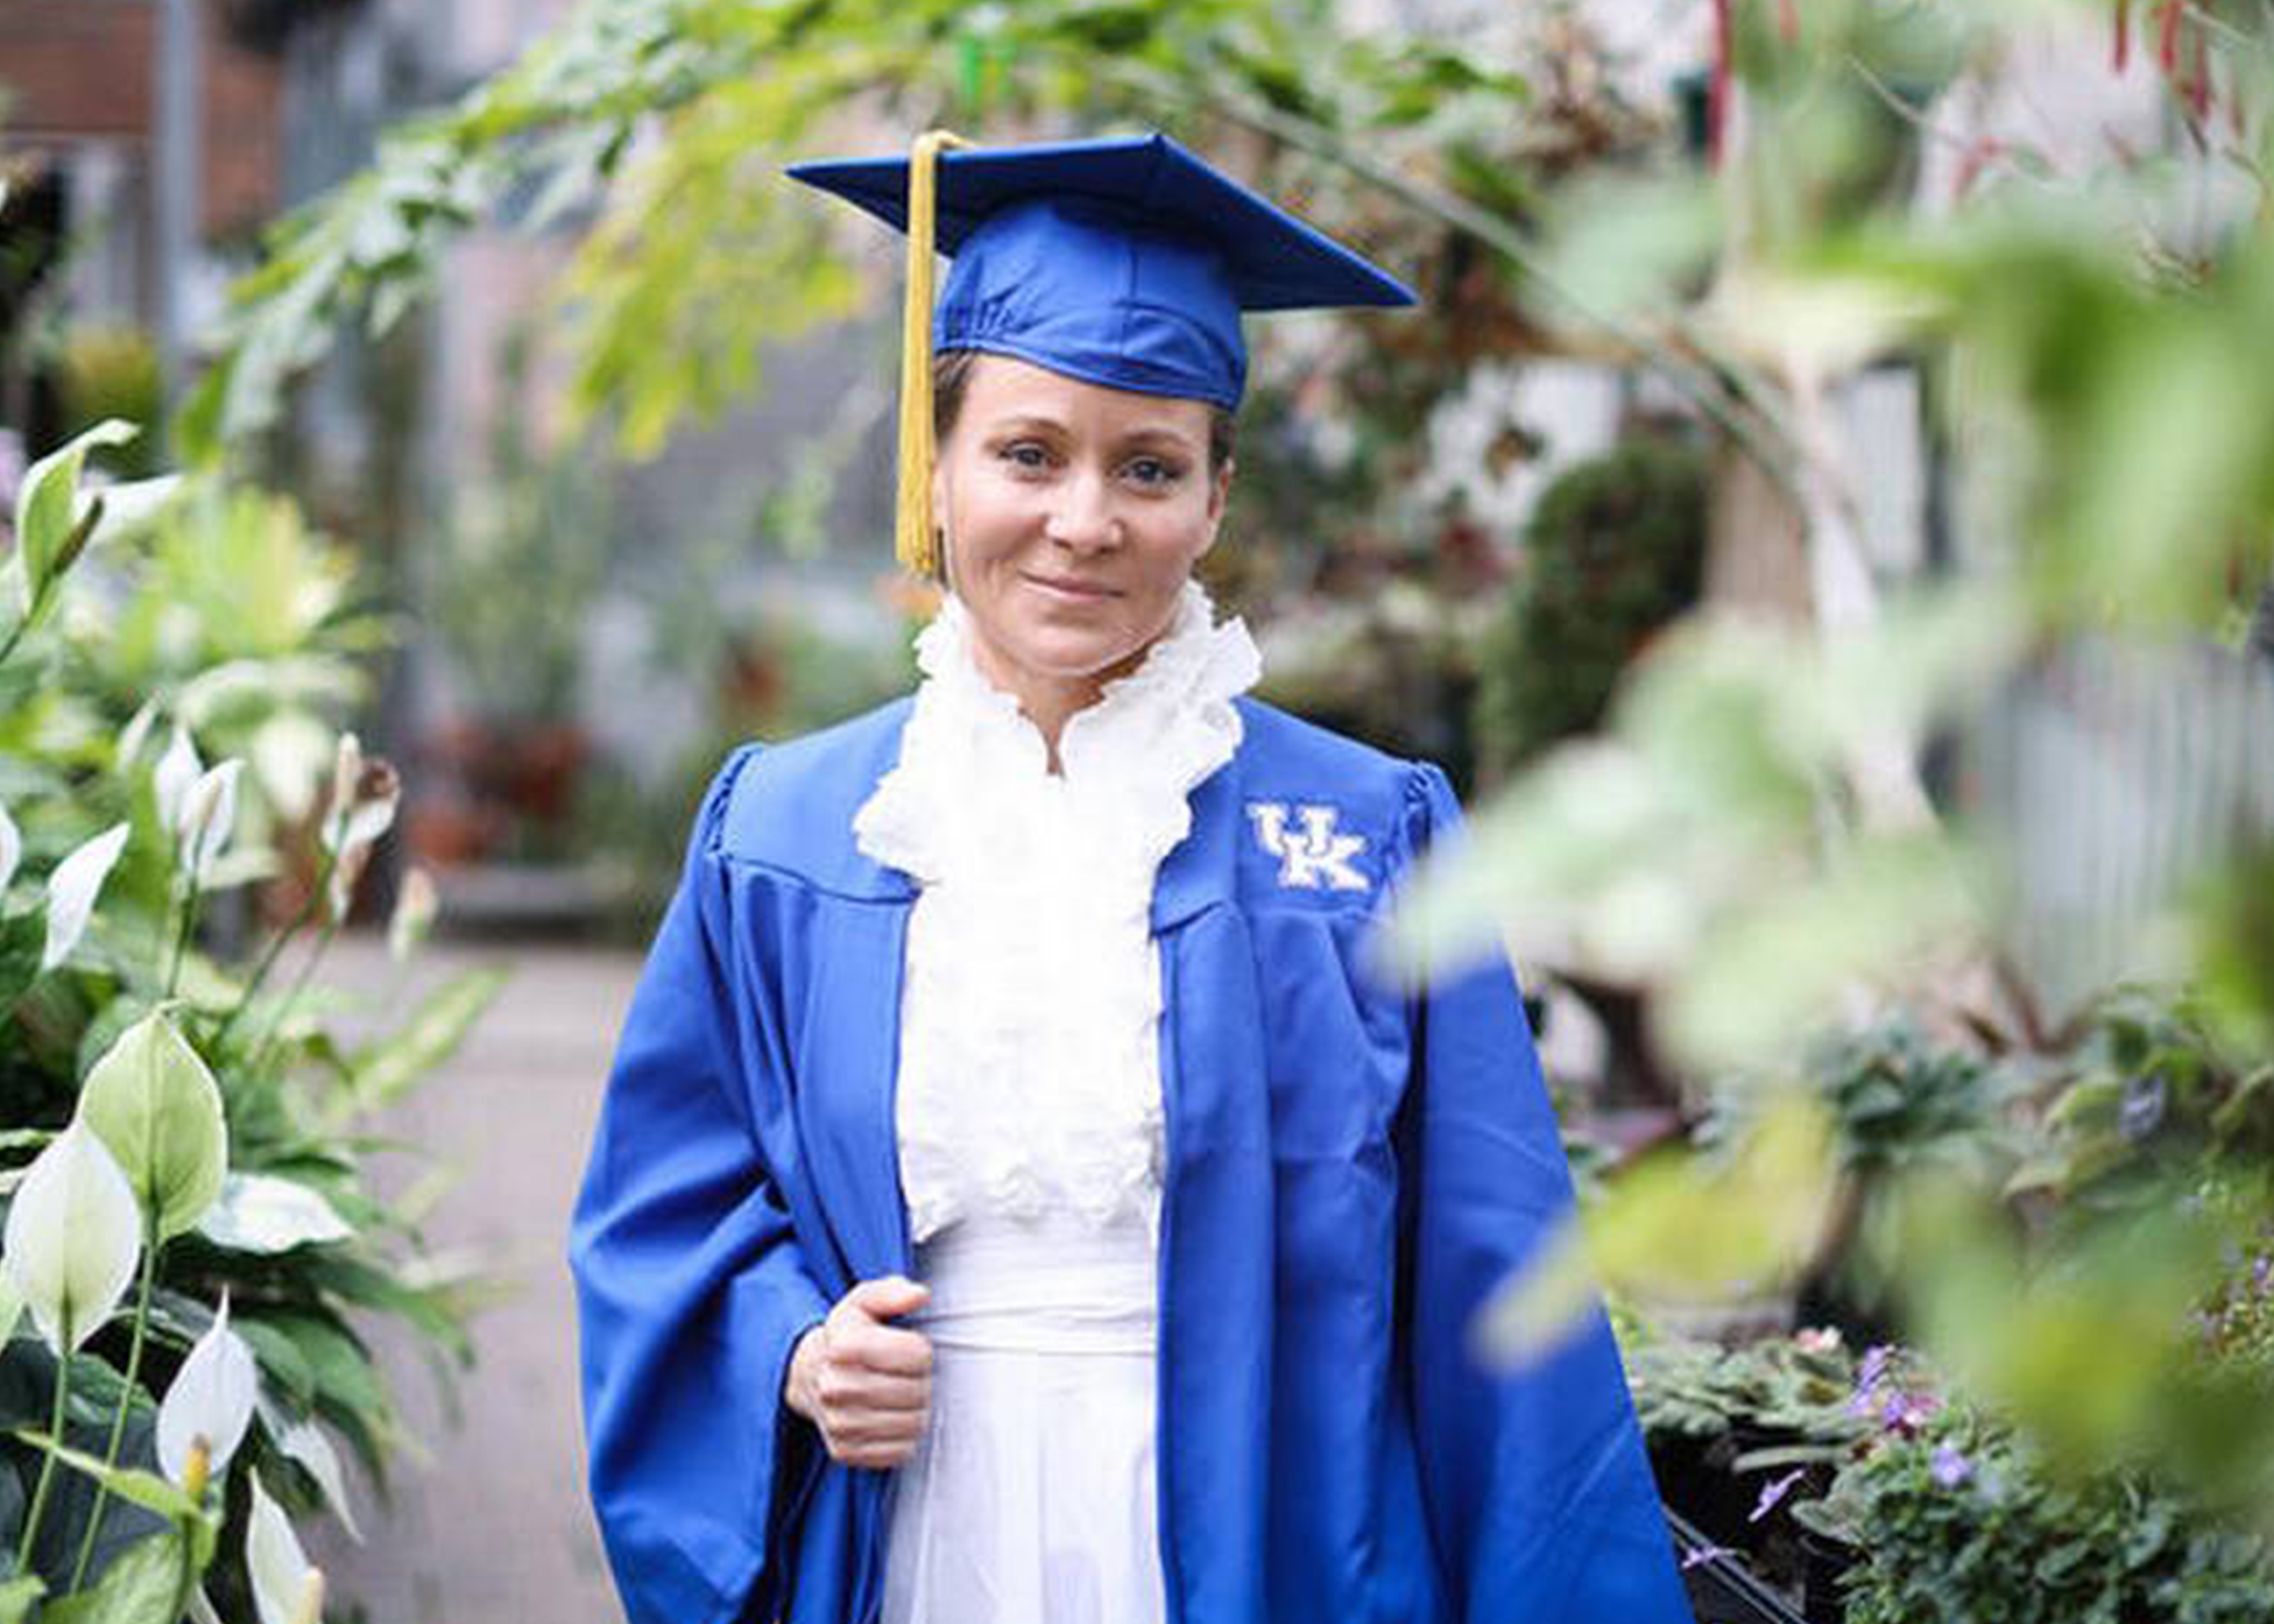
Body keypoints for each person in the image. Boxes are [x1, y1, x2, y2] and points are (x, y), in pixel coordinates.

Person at [568, 129, 1694, 1624]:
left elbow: (1506, 1305)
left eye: (1149, 466)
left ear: (1217, 498)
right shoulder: (787, 833)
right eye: (1028, 452)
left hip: (1266, 1548)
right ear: (938, 463)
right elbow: (663, 1218)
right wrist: (795, 1349)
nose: (1084, 520)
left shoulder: (1368, 845)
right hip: (918, 1533)